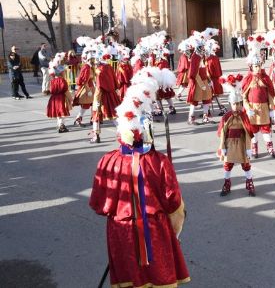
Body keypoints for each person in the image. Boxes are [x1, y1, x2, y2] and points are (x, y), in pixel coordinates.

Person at [89, 69, 189, 288]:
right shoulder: (159, 162)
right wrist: (174, 230)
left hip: (120, 230)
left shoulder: (107, 161)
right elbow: (174, 204)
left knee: (130, 277)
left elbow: (98, 203)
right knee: (157, 276)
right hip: (154, 229)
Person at [217, 74, 256, 196]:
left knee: (246, 164)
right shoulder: (226, 117)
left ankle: (249, 183)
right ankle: (227, 183)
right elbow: (223, 132)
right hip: (229, 144)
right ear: (230, 103)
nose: (237, 106)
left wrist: (249, 148)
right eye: (234, 104)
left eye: (239, 104)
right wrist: (222, 147)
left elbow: (248, 132)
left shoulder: (244, 116)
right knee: (228, 164)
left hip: (242, 144)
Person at [242, 49, 275, 158]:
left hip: (264, 108)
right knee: (253, 130)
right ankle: (254, 149)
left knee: (266, 129)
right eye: (256, 66)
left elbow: (270, 94)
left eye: (259, 66)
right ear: (251, 67)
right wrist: (248, 108)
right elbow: (244, 96)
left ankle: (270, 149)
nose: (258, 68)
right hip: (252, 109)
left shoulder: (265, 78)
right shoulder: (248, 79)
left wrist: (272, 109)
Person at [90, 52, 121, 143]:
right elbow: (115, 80)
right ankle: (122, 133)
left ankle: (96, 136)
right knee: (114, 115)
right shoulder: (109, 67)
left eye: (95, 60)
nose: (94, 62)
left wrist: (97, 99)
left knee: (96, 115)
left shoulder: (99, 70)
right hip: (112, 93)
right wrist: (115, 88)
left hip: (102, 95)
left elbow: (99, 86)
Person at [45, 54, 71, 133]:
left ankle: (59, 124)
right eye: (63, 72)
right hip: (61, 98)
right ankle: (61, 126)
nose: (64, 73)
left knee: (58, 113)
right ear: (61, 73)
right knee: (62, 112)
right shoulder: (62, 80)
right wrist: (70, 98)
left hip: (54, 98)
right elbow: (65, 89)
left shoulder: (52, 81)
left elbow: (51, 90)